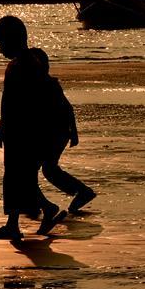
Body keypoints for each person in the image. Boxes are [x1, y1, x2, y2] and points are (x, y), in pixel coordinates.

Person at [0, 16, 66, 240]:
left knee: (16, 177)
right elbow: (9, 101)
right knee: (21, 178)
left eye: (1, 44)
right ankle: (36, 212)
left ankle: (15, 223)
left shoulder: (25, 65)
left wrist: (6, 127)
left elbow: (22, 102)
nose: (0, 50)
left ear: (12, 40)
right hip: (21, 129)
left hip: (25, 131)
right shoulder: (25, 63)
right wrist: (3, 126)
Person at [30, 48, 96, 213]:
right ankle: (81, 191)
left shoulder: (48, 84)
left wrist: (73, 132)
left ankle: (81, 192)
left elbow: (67, 108)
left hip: (56, 133)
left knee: (38, 170)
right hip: (54, 133)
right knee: (48, 169)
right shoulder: (41, 84)